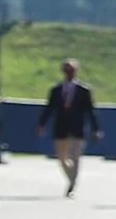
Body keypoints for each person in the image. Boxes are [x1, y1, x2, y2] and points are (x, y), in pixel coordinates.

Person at [37, 58, 100, 198]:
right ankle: (70, 177)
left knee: (75, 157)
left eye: (72, 70)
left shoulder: (84, 91)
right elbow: (49, 109)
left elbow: (91, 111)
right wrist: (42, 124)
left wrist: (96, 129)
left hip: (78, 129)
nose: (69, 73)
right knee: (62, 158)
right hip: (61, 128)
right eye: (67, 70)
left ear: (76, 71)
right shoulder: (56, 90)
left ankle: (72, 185)